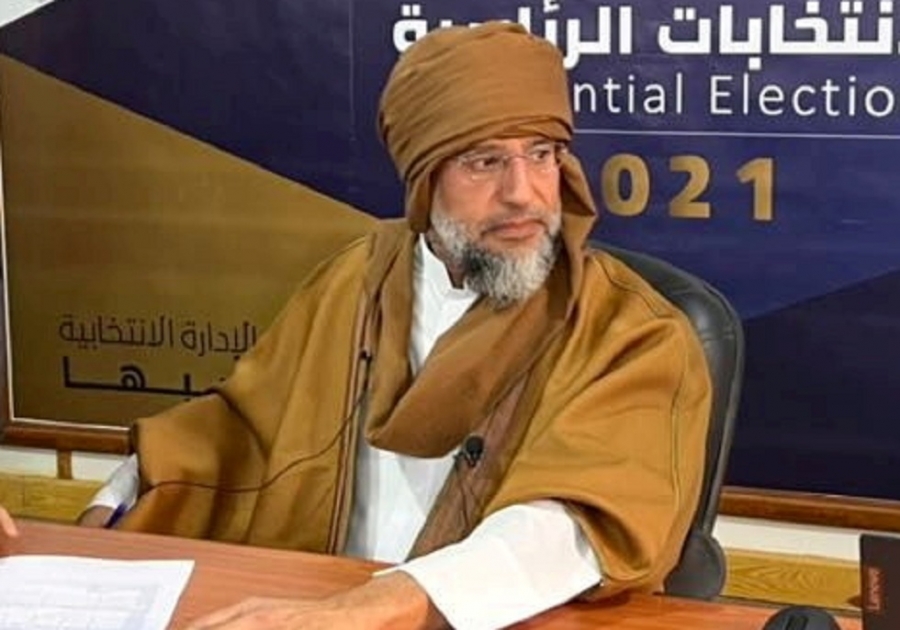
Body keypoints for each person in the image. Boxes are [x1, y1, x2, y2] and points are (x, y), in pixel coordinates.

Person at [79, 21, 711, 630]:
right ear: (424, 182)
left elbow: (566, 527)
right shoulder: (354, 283)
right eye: (484, 162)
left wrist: (372, 610)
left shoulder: (632, 332)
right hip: (314, 600)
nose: (523, 192)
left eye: (541, 155)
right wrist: (115, 502)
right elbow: (240, 428)